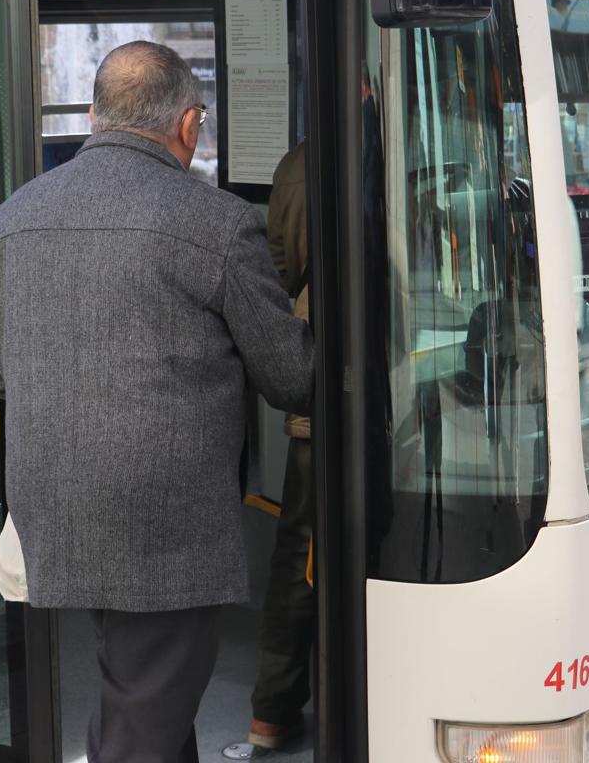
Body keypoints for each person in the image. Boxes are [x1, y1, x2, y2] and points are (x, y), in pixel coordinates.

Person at [0, 40, 313, 763]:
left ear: (95, 115)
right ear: (189, 124)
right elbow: (292, 377)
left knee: (146, 693)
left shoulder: (8, 222)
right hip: (164, 523)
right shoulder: (217, 224)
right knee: (142, 719)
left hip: (52, 506)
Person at [248, 141, 313, 750]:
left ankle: (272, 711)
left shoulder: (298, 163)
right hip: (406, 387)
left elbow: (276, 273)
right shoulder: (421, 139)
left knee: (300, 552)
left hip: (321, 393)